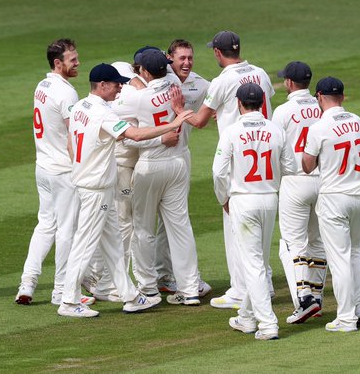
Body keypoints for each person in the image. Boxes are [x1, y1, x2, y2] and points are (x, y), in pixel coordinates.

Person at [58, 63, 193, 318]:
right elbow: (136, 136)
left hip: (95, 184)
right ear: (103, 85)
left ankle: (131, 296)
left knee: (113, 244)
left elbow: (69, 143)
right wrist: (174, 123)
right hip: (95, 188)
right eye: (117, 84)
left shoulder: (81, 107)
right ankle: (68, 301)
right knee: (84, 244)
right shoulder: (102, 113)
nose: (121, 87)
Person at [172, 30, 275, 309]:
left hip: (237, 156)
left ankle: (241, 291)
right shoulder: (261, 74)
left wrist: (181, 111)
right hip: (265, 153)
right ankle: (263, 285)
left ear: (217, 53)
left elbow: (201, 121)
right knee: (262, 231)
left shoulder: (223, 80)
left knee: (236, 227)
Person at [117, 49, 201, 305]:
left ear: (142, 71)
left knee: (143, 228)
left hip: (150, 165)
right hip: (177, 163)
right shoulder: (175, 83)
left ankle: (148, 288)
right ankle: (190, 290)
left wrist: (130, 83)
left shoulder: (137, 99)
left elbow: (123, 132)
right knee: (180, 227)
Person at [212, 83, 296, 340]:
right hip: (269, 199)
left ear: (239, 104)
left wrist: (223, 197)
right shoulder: (276, 129)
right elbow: (290, 166)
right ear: (262, 102)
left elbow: (218, 171)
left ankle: (268, 324)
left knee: (253, 264)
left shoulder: (231, 131)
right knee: (257, 261)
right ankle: (246, 318)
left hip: (243, 200)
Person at [14, 38, 94, 307]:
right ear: (58, 63)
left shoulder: (42, 86)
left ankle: (27, 283)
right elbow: (73, 137)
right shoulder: (67, 93)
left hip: (43, 167)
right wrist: (82, 169)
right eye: (73, 60)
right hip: (62, 171)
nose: (78, 63)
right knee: (66, 231)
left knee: (45, 225)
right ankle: (61, 290)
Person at [302, 76, 360, 332]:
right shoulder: (357, 120)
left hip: (334, 198)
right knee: (355, 251)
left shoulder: (318, 128)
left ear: (319, 97)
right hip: (359, 193)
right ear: (342, 96)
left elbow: (307, 166)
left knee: (339, 258)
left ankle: (346, 317)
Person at [154, 39, 212, 298]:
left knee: (171, 222)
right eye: (181, 58)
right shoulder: (155, 78)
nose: (187, 62)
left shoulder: (201, 84)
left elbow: (215, 111)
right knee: (137, 224)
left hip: (179, 157)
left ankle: (164, 276)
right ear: (169, 58)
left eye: (190, 57)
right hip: (150, 156)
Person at [271, 61, 326, 324]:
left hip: (295, 180)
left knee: (292, 243)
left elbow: (274, 150)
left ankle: (304, 300)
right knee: (317, 242)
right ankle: (316, 297)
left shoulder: (282, 111)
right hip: (324, 181)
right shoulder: (322, 107)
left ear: (290, 83)